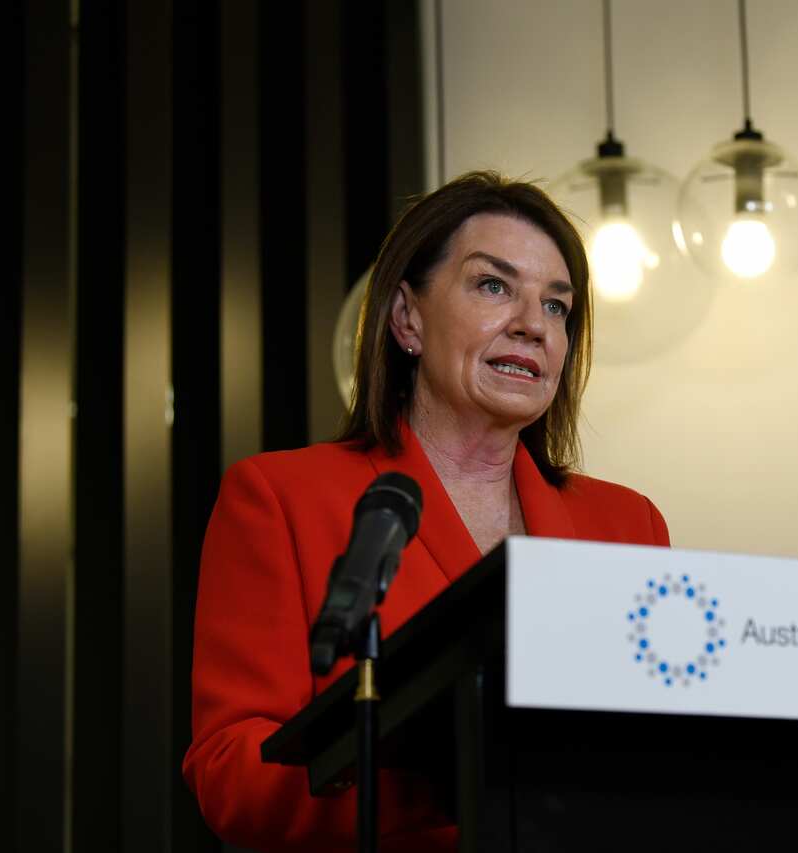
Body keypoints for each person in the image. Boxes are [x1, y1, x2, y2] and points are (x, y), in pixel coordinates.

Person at [182, 172, 670, 852]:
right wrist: (444, 777)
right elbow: (231, 773)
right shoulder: (278, 498)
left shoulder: (628, 524)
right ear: (407, 318)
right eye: (493, 285)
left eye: (557, 306)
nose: (533, 325)